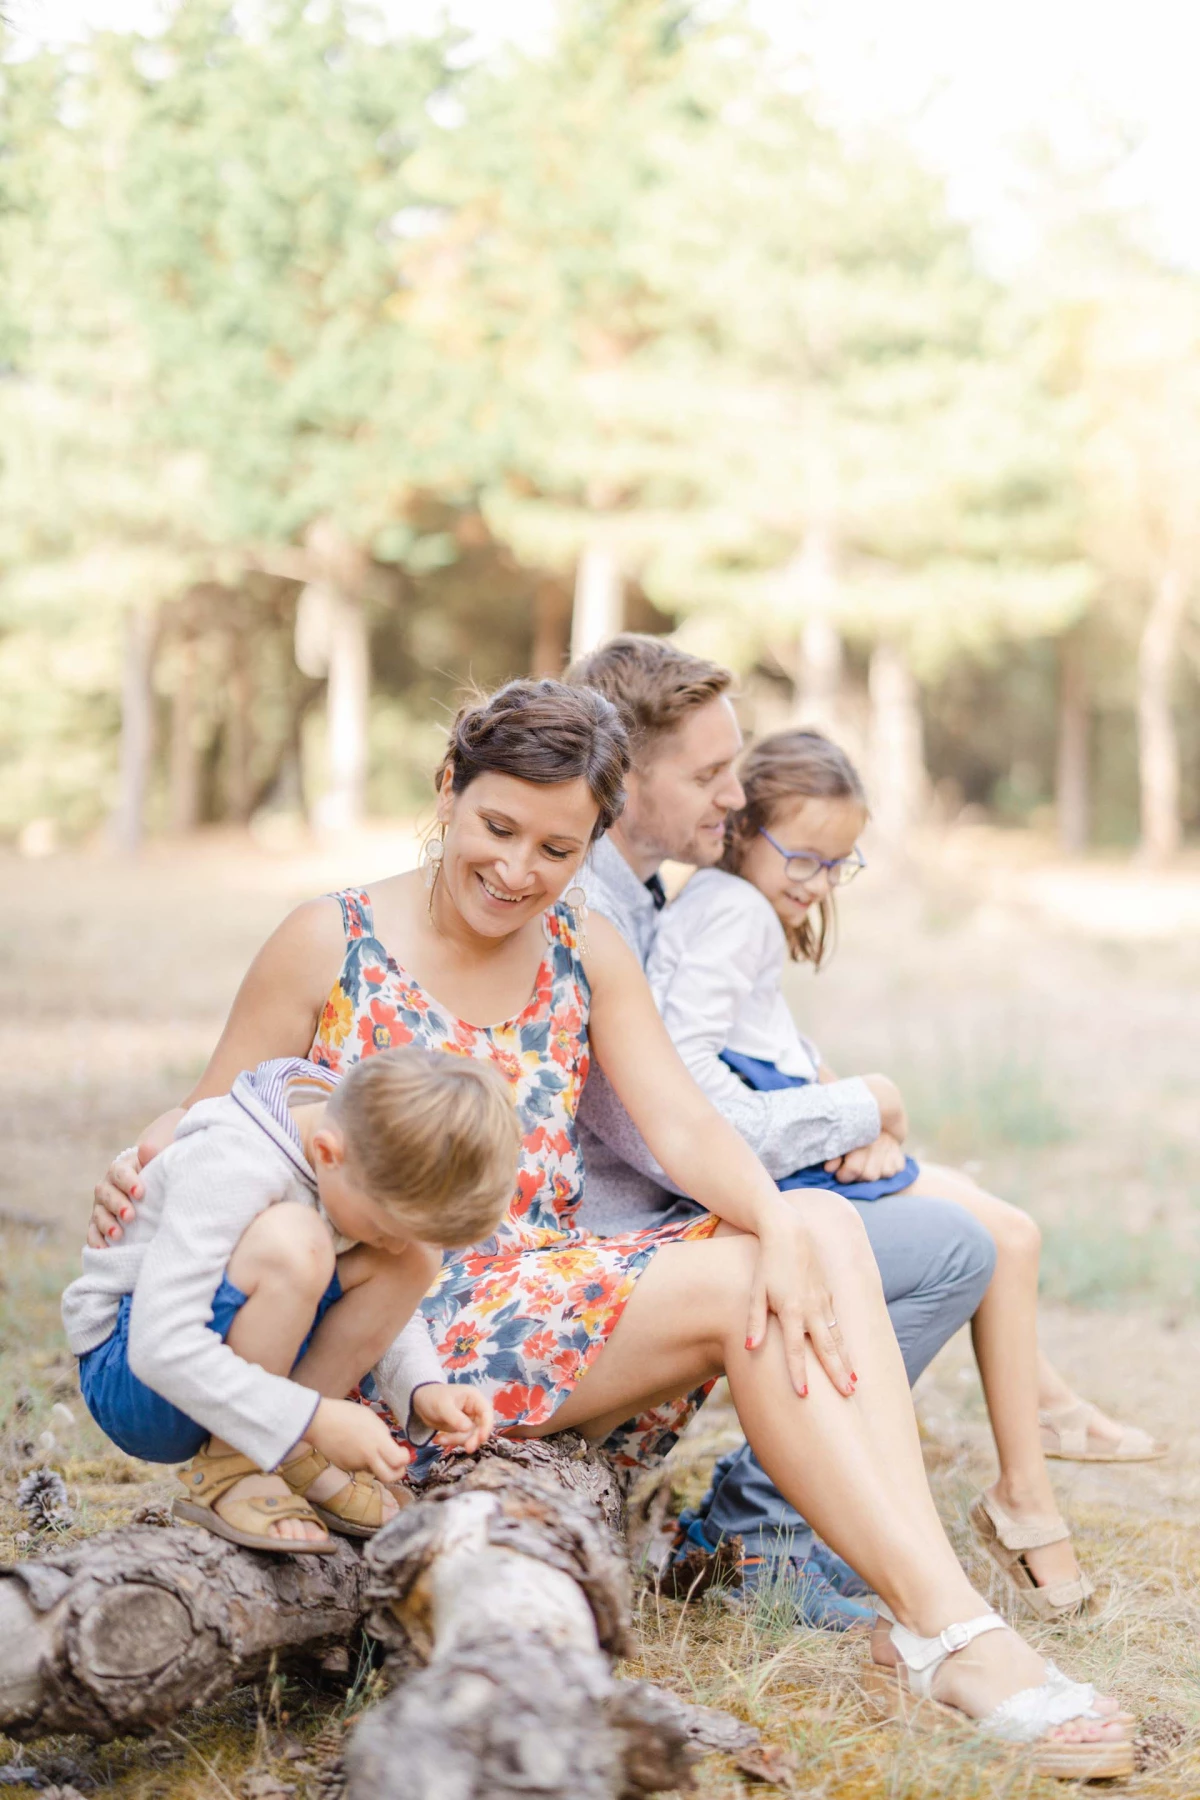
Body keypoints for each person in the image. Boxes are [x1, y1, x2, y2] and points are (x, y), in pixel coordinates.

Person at [86, 678, 1130, 1777]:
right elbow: (219, 1111)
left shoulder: (581, 944)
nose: (517, 871)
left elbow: (682, 1124)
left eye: (557, 848)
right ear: (446, 792)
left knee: (820, 1225)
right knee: (741, 1282)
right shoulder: (328, 939)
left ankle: (937, 1621)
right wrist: (136, 1166)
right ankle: (955, 1636)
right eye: (497, 828)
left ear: (591, 844)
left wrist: (777, 1224)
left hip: (538, 1294)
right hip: (391, 1327)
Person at [563, 634, 1160, 1627]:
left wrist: (847, 1106)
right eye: (709, 776)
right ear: (621, 775)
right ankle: (759, 1535)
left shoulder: (645, 896)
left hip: (676, 1208)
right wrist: (861, 1106)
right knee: (951, 1250)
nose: (732, 798)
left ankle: (880, 1500)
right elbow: (680, 1132)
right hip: (628, 1241)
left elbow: (721, 1070)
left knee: (975, 1224)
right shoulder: (597, 913)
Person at [649, 725, 1107, 1620]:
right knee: (975, 1246)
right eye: (803, 858)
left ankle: (821, 1509)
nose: (818, 884)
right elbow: (690, 1072)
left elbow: (773, 1053)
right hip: (747, 1182)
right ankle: (763, 1523)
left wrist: (866, 1123)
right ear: (742, 826)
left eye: (837, 866)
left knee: (998, 1232)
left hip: (789, 1159)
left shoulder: (736, 906)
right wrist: (864, 1108)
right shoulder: (734, 911)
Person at [65, 1047, 514, 1552]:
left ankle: (283, 1454)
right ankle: (235, 1465)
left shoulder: (356, 1147)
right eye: (383, 1227)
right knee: (296, 1240)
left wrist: (423, 1388)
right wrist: (314, 1417)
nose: (388, 1245)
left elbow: (390, 1281)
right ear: (327, 1153)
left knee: (414, 1258)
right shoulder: (235, 1160)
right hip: (137, 1375)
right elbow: (159, 1347)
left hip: (220, 1362)